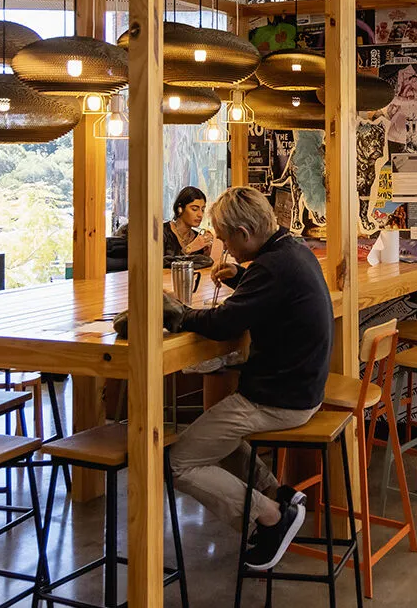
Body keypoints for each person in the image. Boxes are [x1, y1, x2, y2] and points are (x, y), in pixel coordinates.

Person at [158, 186, 331, 572]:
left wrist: (178, 314)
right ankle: (277, 493)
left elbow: (223, 324)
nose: (222, 246)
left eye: (224, 239)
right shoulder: (292, 250)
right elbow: (268, 298)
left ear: (244, 233)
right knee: (214, 435)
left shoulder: (271, 267)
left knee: (176, 463)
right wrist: (240, 278)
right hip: (303, 387)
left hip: (278, 399)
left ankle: (270, 516)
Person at [165, 186, 216, 258]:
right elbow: (157, 263)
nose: (200, 215)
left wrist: (206, 254)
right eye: (194, 209)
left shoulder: (197, 238)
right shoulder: (162, 233)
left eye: (203, 210)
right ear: (180, 209)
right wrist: (189, 249)